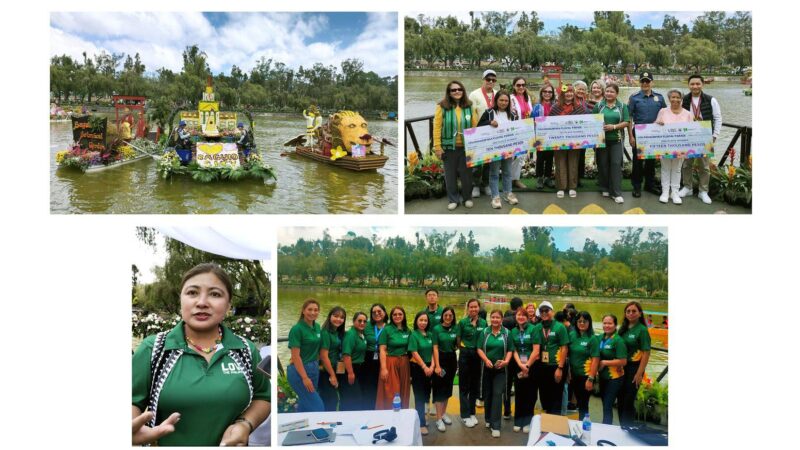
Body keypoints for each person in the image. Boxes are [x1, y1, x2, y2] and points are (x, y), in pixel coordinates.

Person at [132, 264, 270, 446]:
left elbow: (263, 396)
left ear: (229, 305)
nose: (202, 302)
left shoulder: (245, 350)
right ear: (180, 299)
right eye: (192, 292)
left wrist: (245, 424)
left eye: (215, 294)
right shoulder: (154, 349)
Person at [433, 80, 478, 211]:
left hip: (466, 146)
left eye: (459, 89)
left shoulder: (469, 106)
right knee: (450, 175)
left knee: (467, 175)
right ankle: (453, 199)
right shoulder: (442, 106)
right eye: (453, 90)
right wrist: (437, 147)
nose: (457, 91)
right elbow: (437, 127)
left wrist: (475, 144)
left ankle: (467, 198)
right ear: (449, 92)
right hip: (448, 147)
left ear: (463, 91)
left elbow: (474, 125)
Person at [679, 74, 722, 204]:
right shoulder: (684, 100)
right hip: (688, 135)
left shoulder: (711, 100)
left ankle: (703, 191)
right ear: (689, 85)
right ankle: (687, 187)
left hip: (705, 135)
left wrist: (715, 135)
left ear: (702, 84)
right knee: (686, 164)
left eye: (698, 84)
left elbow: (718, 118)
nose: (695, 86)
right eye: (692, 84)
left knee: (704, 166)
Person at [628, 72, 668, 198]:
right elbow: (629, 118)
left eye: (648, 81)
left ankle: (649, 185)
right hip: (639, 132)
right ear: (640, 82)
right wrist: (630, 136)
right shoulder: (634, 98)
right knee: (638, 161)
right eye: (643, 81)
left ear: (652, 82)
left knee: (651, 161)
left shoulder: (660, 98)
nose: (645, 83)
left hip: (655, 134)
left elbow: (665, 114)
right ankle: (637, 186)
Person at [478, 91, 519, 209]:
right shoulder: (489, 113)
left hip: (508, 149)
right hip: (494, 149)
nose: (503, 103)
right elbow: (479, 126)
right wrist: (489, 122)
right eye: (501, 100)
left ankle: (508, 193)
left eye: (506, 101)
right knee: (494, 173)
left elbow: (518, 131)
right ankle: (495, 196)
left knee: (507, 172)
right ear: (496, 100)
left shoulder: (513, 115)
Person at [477, 309, 513, 438]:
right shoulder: (485, 332)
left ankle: (496, 425)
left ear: (502, 319)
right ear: (490, 319)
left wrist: (506, 361)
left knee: (497, 394)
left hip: (500, 370)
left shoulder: (506, 333)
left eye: (497, 317)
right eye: (493, 317)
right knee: (488, 394)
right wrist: (486, 360)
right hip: (487, 368)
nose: (495, 320)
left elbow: (510, 350)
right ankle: (488, 419)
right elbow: (479, 348)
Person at [655, 90, 694, 204]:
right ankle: (665, 192)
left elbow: (692, 131)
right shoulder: (663, 111)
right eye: (673, 97)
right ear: (669, 98)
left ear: (681, 99)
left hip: (681, 147)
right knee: (665, 169)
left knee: (677, 170)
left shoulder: (688, 114)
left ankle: (675, 192)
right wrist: (658, 124)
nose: (675, 99)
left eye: (678, 97)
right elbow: (655, 126)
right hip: (665, 146)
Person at [593, 82, 630, 204]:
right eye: (607, 91)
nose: (609, 93)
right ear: (604, 92)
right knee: (602, 164)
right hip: (601, 140)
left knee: (615, 164)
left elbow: (627, 121)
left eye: (612, 92)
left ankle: (616, 193)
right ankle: (604, 187)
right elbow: (592, 121)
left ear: (617, 94)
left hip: (616, 140)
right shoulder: (598, 106)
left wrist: (614, 127)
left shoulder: (622, 106)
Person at [286, 299, 325, 412]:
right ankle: (319, 429)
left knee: (305, 405)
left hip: (314, 369)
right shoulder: (297, 329)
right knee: (318, 407)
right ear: (303, 311)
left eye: (316, 310)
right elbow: (295, 357)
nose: (313, 312)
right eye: (310, 309)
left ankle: (299, 428)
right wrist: (305, 378)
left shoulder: (317, 327)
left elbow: (317, 349)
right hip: (300, 372)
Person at [549, 84, 587, 199]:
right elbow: (549, 124)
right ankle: (561, 187)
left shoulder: (580, 108)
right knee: (560, 162)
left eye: (571, 92)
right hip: (559, 140)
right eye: (567, 92)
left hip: (575, 141)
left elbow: (585, 124)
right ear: (562, 94)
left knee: (573, 163)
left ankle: (572, 187)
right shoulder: (555, 107)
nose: (569, 94)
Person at [618, 301, 652, 426]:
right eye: (628, 311)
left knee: (628, 400)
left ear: (640, 313)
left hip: (634, 369)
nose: (631, 313)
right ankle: (622, 426)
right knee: (620, 398)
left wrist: (639, 373)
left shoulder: (642, 330)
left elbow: (646, 353)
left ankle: (628, 428)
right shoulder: (623, 329)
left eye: (634, 311)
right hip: (621, 368)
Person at [455, 298, 487, 428]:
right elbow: (458, 340)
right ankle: (465, 415)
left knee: (475, 385)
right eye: (471, 307)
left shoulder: (483, 322)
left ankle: (472, 413)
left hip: (477, 356)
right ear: (468, 308)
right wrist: (464, 349)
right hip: (465, 355)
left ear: (479, 308)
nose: (473, 309)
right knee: (464, 386)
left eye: (476, 307)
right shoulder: (462, 323)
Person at [535, 301, 570, 414]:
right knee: (545, 396)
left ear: (552, 312)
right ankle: (547, 421)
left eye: (547, 310)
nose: (544, 313)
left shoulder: (560, 327)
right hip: (542, 366)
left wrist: (560, 368)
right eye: (542, 311)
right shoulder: (538, 327)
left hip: (556, 366)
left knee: (556, 397)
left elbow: (564, 348)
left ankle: (554, 425)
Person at [469, 70, 499, 198]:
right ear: (483, 79)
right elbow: (470, 114)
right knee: (477, 162)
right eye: (488, 79)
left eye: (493, 80)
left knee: (489, 161)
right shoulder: (474, 94)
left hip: (494, 133)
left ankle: (485, 184)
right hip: (478, 132)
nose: (491, 82)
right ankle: (475, 184)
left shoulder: (498, 94)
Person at [510, 308, 538, 433]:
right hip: (518, 365)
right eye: (518, 315)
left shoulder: (534, 329)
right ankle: (518, 420)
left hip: (531, 366)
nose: (521, 317)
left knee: (530, 395)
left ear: (527, 317)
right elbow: (514, 350)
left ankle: (528, 421)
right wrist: (520, 365)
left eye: (523, 315)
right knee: (519, 393)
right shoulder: (513, 331)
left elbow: (536, 350)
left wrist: (527, 366)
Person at [377, 306, 411, 410]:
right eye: (395, 314)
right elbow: (382, 349)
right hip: (390, 362)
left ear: (404, 316)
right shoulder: (387, 330)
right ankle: (389, 414)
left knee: (404, 391)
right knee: (391, 391)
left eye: (400, 314)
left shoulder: (407, 330)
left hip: (404, 362)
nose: (397, 316)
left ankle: (403, 413)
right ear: (391, 316)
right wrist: (383, 368)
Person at [568, 311, 600, 421]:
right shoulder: (572, 335)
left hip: (586, 376)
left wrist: (591, 378)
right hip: (574, 374)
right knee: (578, 401)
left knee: (583, 403)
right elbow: (568, 354)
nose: (582, 323)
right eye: (579, 321)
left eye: (584, 321)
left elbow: (595, 359)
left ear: (589, 323)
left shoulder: (592, 338)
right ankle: (581, 422)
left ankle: (584, 426)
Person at [431, 306, 458, 432]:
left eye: (450, 316)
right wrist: (437, 365)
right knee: (439, 388)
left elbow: (458, 344)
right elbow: (435, 348)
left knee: (448, 388)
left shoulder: (455, 328)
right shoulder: (436, 329)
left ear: (453, 317)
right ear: (442, 316)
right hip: (440, 359)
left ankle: (443, 414)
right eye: (445, 315)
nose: (448, 317)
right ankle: (438, 418)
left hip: (451, 359)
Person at [408, 312, 435, 435]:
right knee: (419, 396)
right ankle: (421, 424)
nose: (423, 322)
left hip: (430, 368)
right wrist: (424, 367)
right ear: (416, 321)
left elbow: (434, 350)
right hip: (418, 368)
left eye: (425, 320)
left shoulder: (430, 334)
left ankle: (423, 417)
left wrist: (433, 366)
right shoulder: (413, 335)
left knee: (427, 394)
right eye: (421, 320)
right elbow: (414, 352)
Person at [598, 314, 627, 425]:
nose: (607, 325)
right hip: (602, 377)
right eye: (605, 323)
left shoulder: (618, 341)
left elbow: (623, 361)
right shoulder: (600, 337)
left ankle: (606, 428)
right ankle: (605, 425)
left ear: (615, 325)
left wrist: (605, 362)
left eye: (610, 323)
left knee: (607, 405)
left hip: (614, 378)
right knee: (604, 404)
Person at [319, 307, 346, 411]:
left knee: (335, 400)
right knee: (330, 400)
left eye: (342, 317)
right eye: (335, 316)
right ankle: (326, 423)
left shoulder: (337, 332)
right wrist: (332, 375)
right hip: (326, 371)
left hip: (336, 368)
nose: (338, 319)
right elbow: (323, 356)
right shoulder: (325, 333)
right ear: (330, 316)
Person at [510, 76, 534, 190]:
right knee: (512, 156)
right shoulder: (511, 98)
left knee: (520, 157)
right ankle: (509, 179)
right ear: (514, 86)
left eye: (523, 85)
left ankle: (516, 179)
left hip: (525, 131)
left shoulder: (527, 98)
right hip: (514, 132)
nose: (521, 87)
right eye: (518, 85)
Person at [341, 312, 368, 411]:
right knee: (353, 398)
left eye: (364, 321)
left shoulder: (360, 334)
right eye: (359, 321)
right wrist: (351, 373)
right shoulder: (351, 335)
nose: (362, 323)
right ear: (353, 321)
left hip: (360, 369)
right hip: (351, 369)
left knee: (357, 397)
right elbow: (346, 355)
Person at [363, 303, 388, 409]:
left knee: (383, 386)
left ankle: (382, 408)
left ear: (385, 312)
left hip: (384, 358)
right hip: (369, 358)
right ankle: (369, 408)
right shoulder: (367, 325)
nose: (376, 314)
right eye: (374, 312)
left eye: (379, 311)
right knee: (369, 386)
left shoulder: (390, 326)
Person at [533, 84, 556, 189]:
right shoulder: (537, 107)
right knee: (540, 157)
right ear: (541, 93)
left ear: (552, 94)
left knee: (550, 157)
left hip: (552, 136)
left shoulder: (556, 105)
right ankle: (539, 178)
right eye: (545, 91)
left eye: (550, 92)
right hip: (540, 136)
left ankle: (548, 177)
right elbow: (532, 121)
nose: (547, 93)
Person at [573, 80, 590, 185]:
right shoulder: (570, 100)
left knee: (581, 156)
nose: (581, 91)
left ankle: (578, 177)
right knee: (572, 156)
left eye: (583, 89)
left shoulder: (584, 102)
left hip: (583, 134)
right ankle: (572, 177)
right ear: (574, 89)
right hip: (572, 134)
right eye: (579, 89)